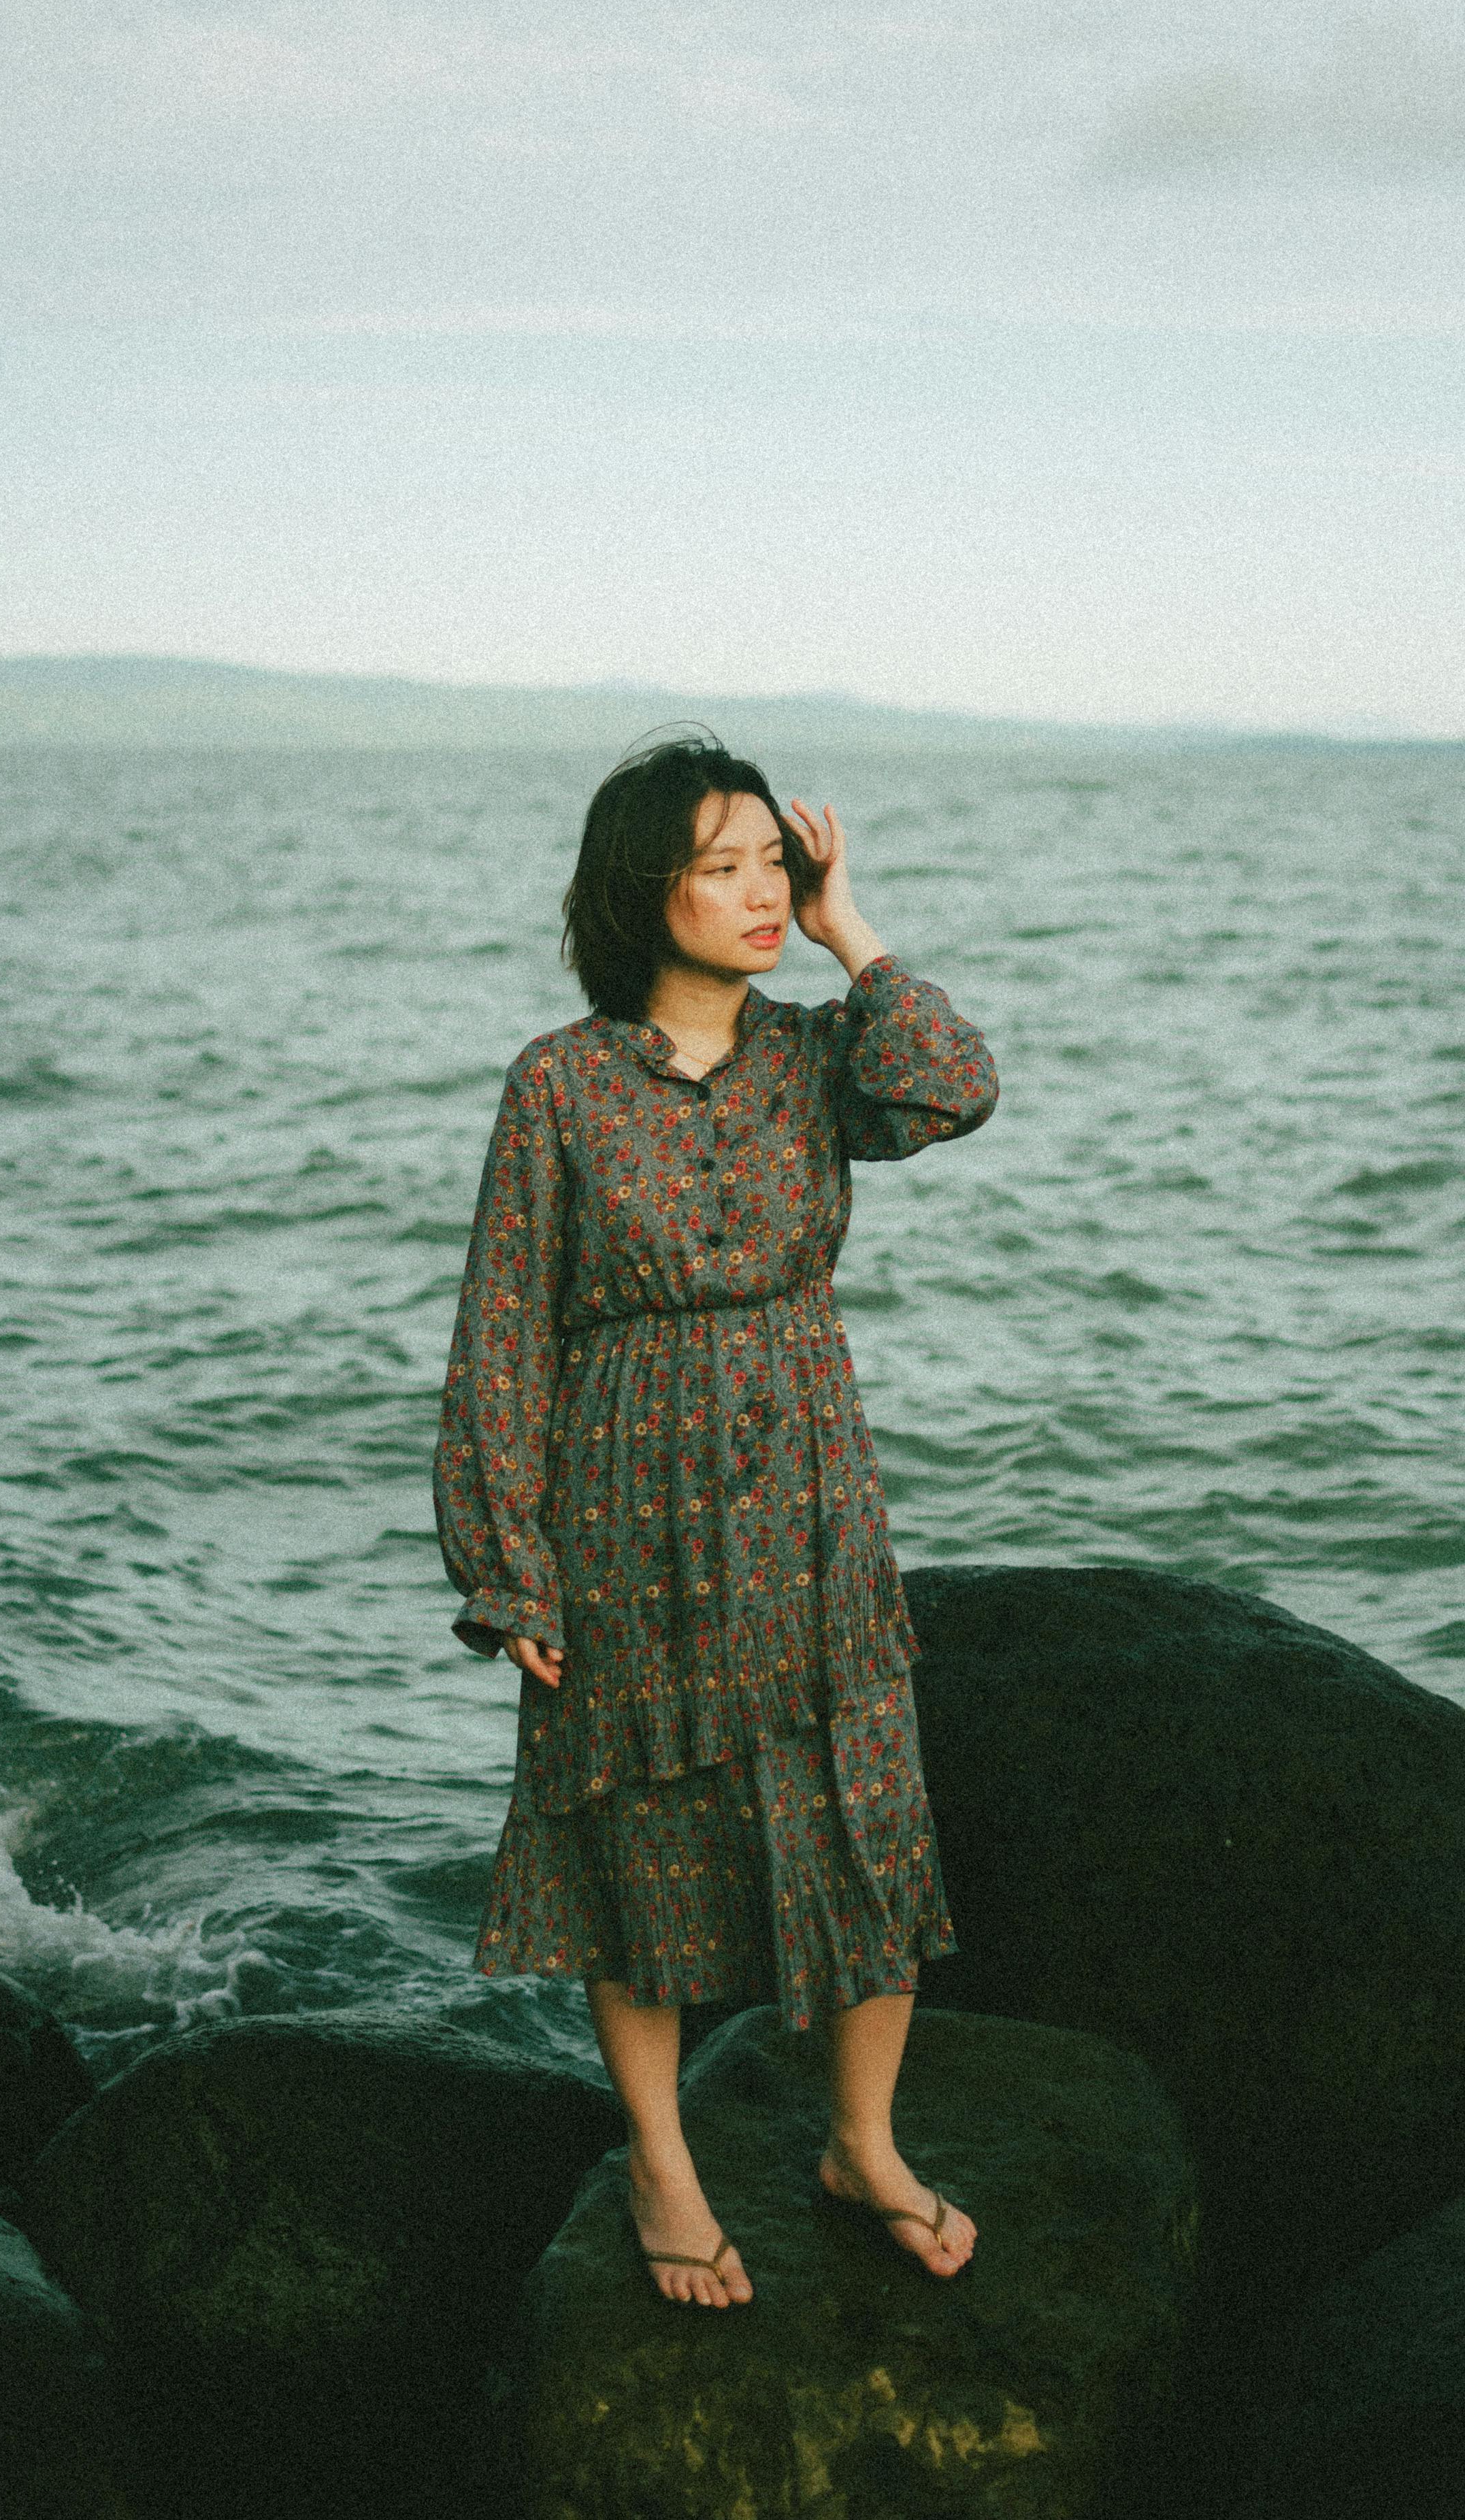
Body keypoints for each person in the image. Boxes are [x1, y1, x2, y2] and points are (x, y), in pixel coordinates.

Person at [433, 731, 999, 2308]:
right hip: (625, 1502)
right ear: (643, 890)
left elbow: (956, 1088)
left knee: (868, 1818)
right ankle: (661, 2163)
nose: (761, 891)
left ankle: (860, 2144)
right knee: (638, 1836)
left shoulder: (821, 1056)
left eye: (775, 860)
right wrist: (508, 1566)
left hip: (811, 1486)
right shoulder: (559, 1082)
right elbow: (501, 1331)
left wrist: (852, 928)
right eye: (723, 865)